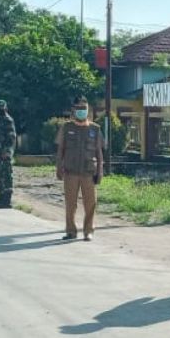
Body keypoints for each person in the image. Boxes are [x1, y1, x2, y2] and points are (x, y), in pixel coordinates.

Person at [56, 96, 104, 241]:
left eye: (85, 108)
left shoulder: (95, 129)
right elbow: (60, 150)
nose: (82, 111)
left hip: (89, 173)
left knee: (91, 203)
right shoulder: (66, 127)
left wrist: (100, 171)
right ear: (74, 110)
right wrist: (59, 168)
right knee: (70, 204)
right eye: (79, 108)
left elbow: (99, 152)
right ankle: (71, 231)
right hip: (71, 172)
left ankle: (88, 231)